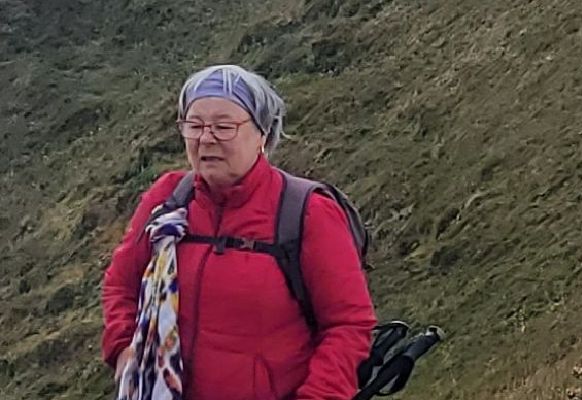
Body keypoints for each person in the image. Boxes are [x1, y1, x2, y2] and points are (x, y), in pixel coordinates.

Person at [101, 65, 377, 400]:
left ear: (262, 133)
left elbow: (348, 325)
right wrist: (123, 350)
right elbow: (121, 283)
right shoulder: (169, 199)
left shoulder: (307, 212)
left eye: (224, 126)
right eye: (195, 125)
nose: (206, 138)